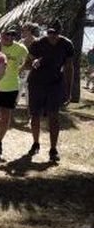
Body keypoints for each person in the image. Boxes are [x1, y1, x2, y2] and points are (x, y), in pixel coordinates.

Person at [24, 21, 74, 162]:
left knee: (54, 116)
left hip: (54, 85)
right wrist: (33, 63)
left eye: (55, 33)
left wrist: (68, 91)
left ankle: (53, 149)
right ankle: (35, 143)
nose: (52, 35)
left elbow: (69, 68)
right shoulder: (37, 44)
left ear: (60, 32)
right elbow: (27, 64)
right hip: (36, 84)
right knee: (35, 116)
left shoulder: (67, 44)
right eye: (50, 32)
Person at [0, 28, 28, 155]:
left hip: (11, 87)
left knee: (5, 116)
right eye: (6, 34)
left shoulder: (21, 48)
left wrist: (20, 69)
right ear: (1, 35)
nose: (9, 36)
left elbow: (28, 59)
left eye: (12, 34)